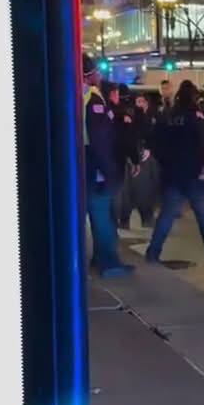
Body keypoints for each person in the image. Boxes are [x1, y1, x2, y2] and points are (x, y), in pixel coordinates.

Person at [146, 80, 204, 269]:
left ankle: (152, 253)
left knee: (166, 216)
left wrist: (165, 164)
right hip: (194, 176)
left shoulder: (167, 116)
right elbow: (203, 143)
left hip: (172, 175)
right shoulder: (196, 116)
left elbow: (156, 142)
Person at [82, 54, 134, 278]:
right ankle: (110, 265)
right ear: (89, 74)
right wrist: (109, 171)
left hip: (79, 164)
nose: (100, 76)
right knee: (101, 214)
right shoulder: (92, 99)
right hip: (93, 166)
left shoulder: (72, 93)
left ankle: (97, 259)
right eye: (97, 71)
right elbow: (100, 140)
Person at [102, 81, 141, 230]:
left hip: (102, 159)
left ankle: (111, 225)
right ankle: (118, 223)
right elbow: (128, 140)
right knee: (120, 193)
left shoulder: (103, 110)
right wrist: (135, 160)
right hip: (117, 159)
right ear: (112, 94)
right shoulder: (121, 114)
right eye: (116, 93)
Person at [118, 93, 160, 229]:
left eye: (142, 101)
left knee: (144, 190)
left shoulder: (153, 117)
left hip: (145, 156)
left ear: (147, 103)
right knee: (131, 191)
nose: (139, 104)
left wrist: (149, 148)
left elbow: (156, 136)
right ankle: (126, 220)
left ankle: (146, 218)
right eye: (137, 101)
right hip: (134, 156)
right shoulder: (132, 117)